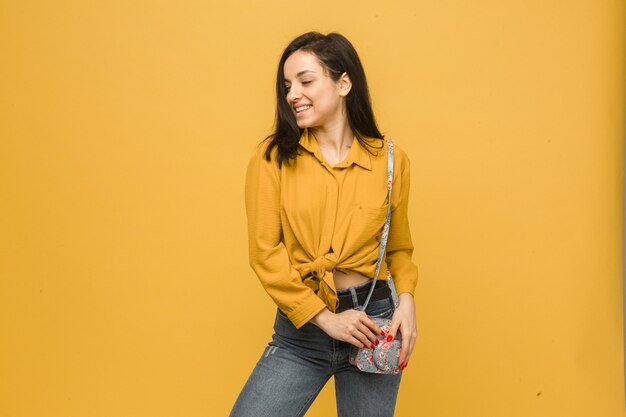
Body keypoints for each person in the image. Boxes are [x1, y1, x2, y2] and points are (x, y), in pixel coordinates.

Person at [229, 31, 419, 417]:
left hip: (374, 325)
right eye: (287, 85)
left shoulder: (392, 161)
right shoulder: (271, 160)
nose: (292, 94)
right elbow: (264, 253)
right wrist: (326, 319)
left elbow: (398, 248)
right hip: (304, 331)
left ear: (343, 83)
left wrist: (409, 302)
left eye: (306, 81)